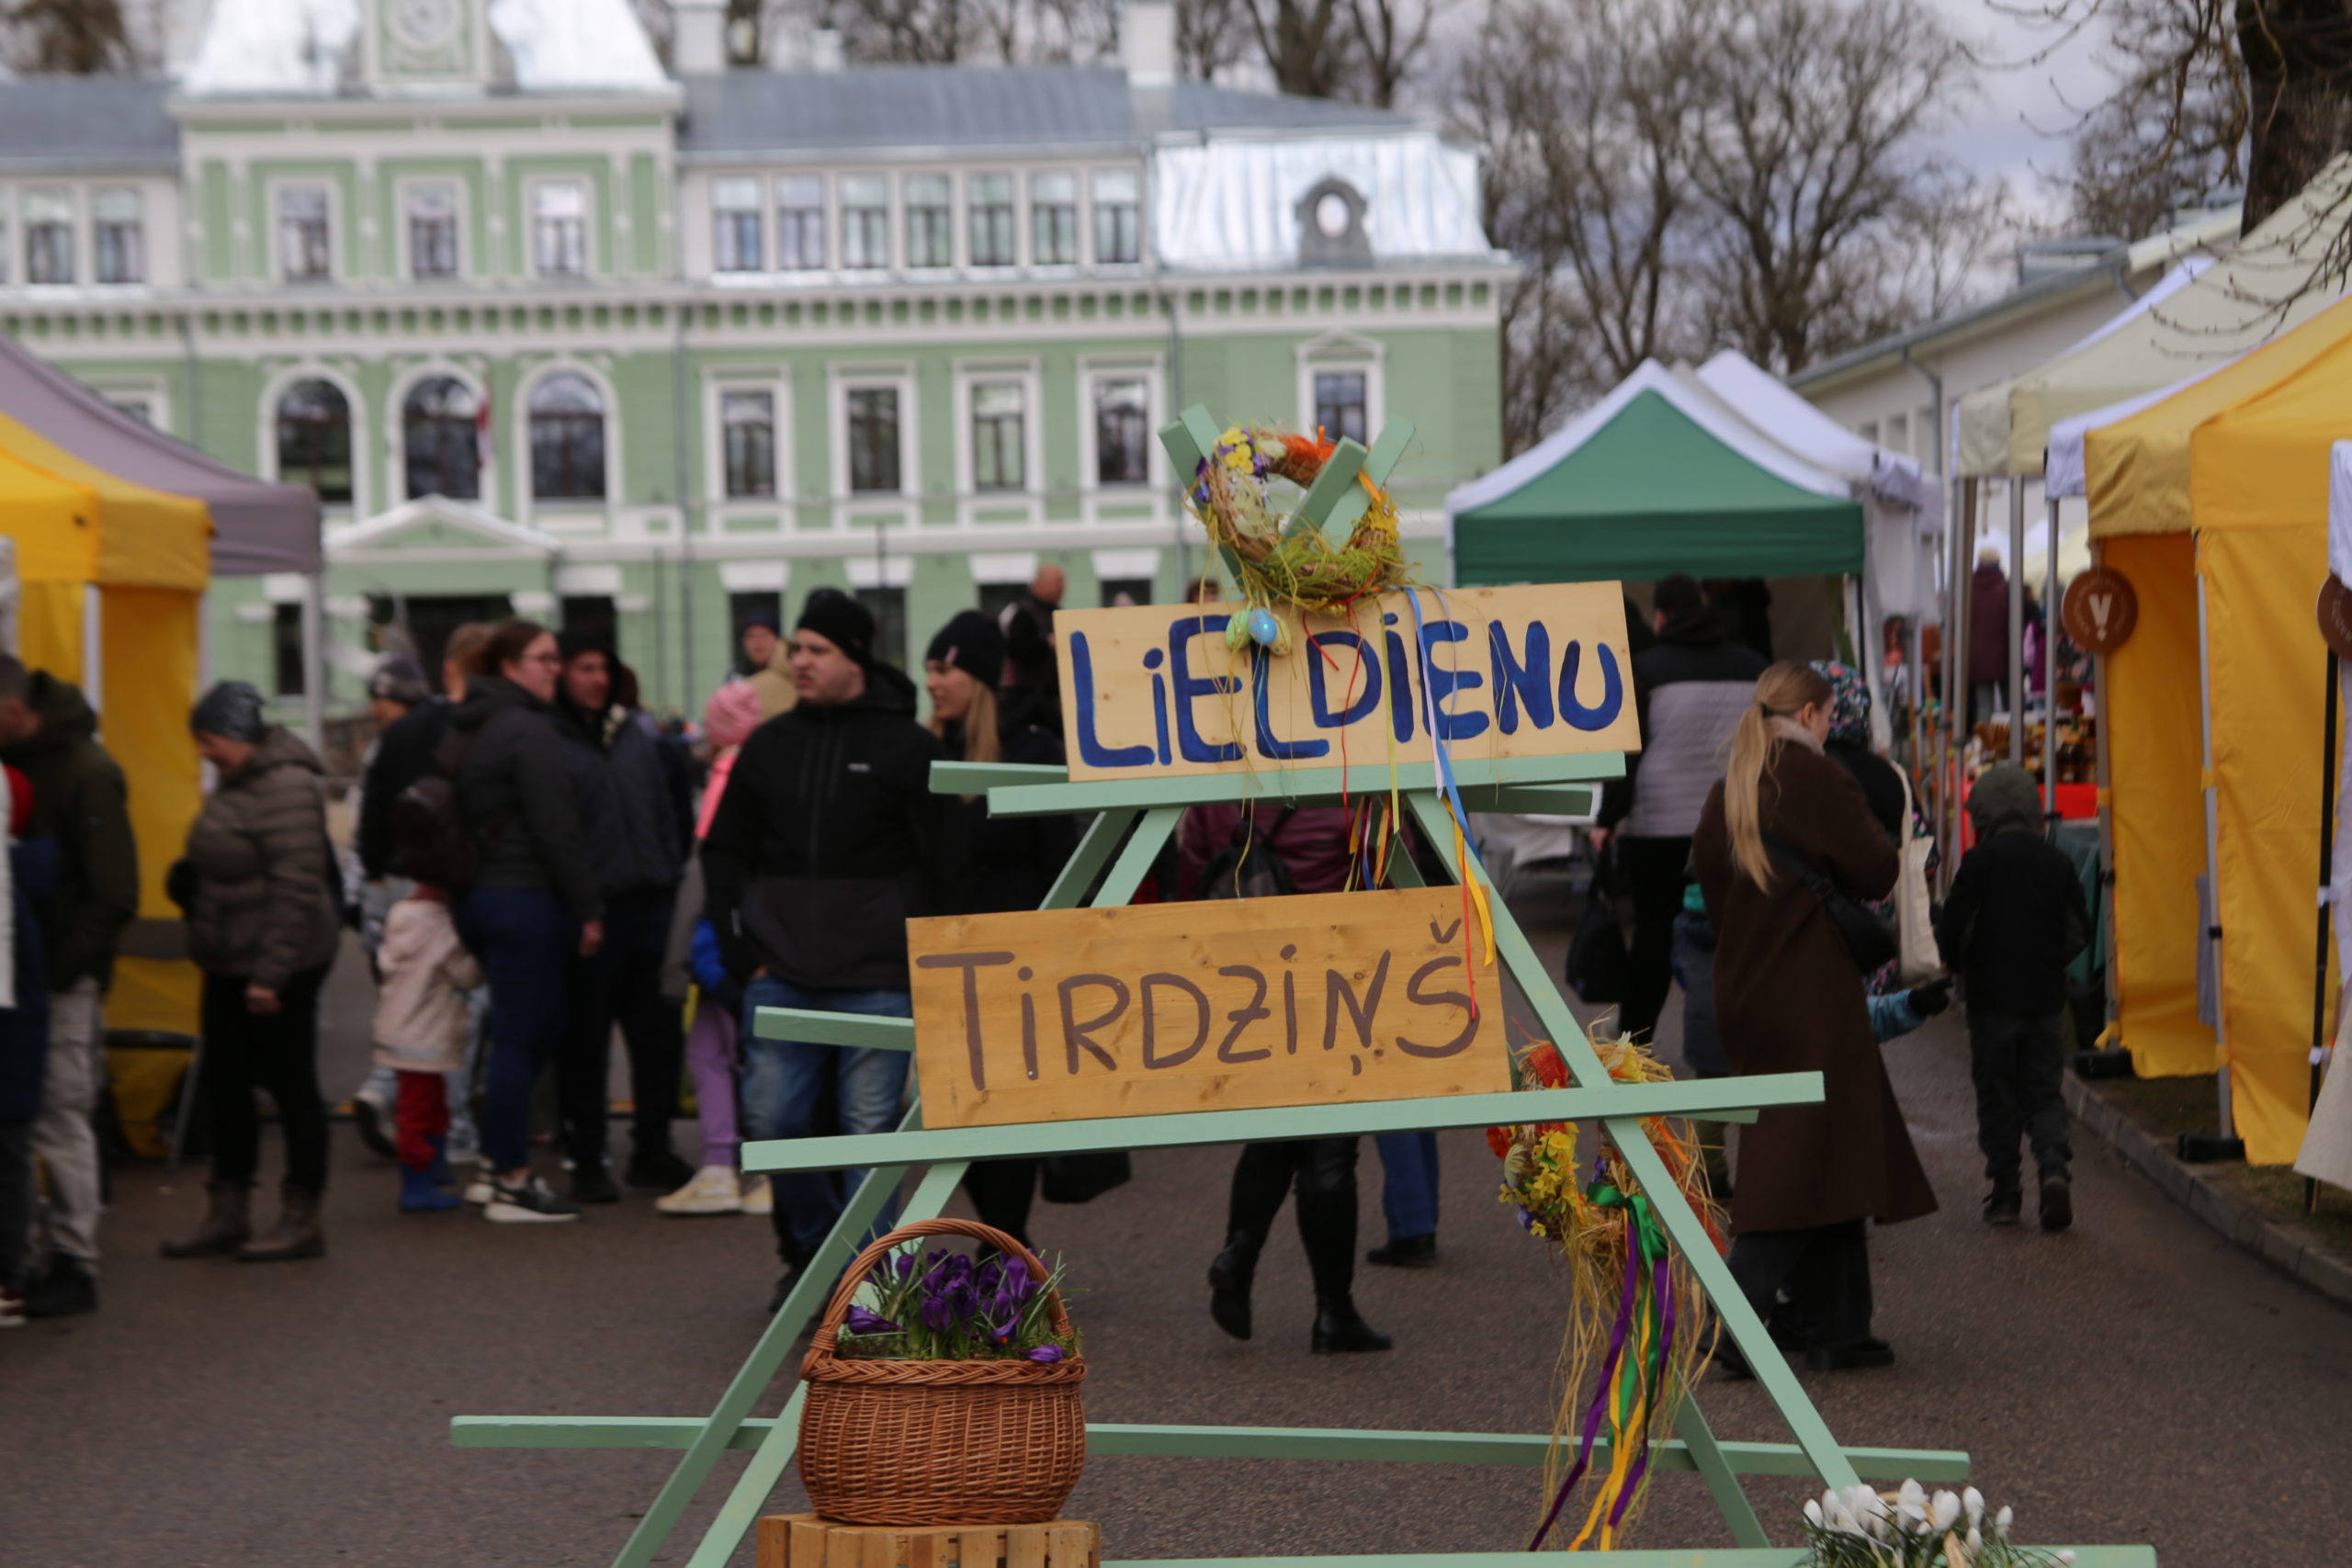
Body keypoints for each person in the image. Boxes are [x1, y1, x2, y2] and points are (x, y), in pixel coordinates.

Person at [702, 590, 965, 1307]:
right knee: (774, 1124)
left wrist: (929, 961)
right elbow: (723, 852)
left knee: (869, 1134)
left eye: (817, 649)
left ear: (855, 658)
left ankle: (870, 1290)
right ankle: (821, 1257)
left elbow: (944, 864)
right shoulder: (768, 745)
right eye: (797, 648)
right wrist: (740, 951)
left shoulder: (909, 747)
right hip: (779, 972)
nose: (800, 661)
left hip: (880, 976)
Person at [1691, 661, 1935, 1372]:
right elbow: (1877, 868)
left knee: (1836, 1143)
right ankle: (1734, 1319)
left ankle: (1837, 1322)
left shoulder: (1729, 786)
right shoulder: (1812, 776)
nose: (1830, 728)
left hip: (1747, 987)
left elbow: (1711, 883)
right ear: (1808, 714)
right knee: (1798, 1159)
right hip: (1810, 992)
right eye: (1828, 716)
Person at [1179, 802, 1391, 1353]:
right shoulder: (1354, 792)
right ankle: (1333, 1312)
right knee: (1331, 1152)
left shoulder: (1211, 794)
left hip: (1247, 990)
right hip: (1336, 984)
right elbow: (1396, 877)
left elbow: (1188, 882)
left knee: (1275, 1134)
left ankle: (1240, 1252)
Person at [162, 683, 342, 1264]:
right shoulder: (240, 780)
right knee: (227, 1086)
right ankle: (228, 1210)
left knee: (292, 1088)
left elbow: (297, 886)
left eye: (209, 740)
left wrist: (271, 975)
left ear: (238, 735)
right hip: (228, 961)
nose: (203, 752)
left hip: (281, 964)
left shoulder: (288, 785)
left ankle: (301, 1216)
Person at [923, 610, 1079, 1247]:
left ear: (980, 678)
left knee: (1008, 1119)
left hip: (1018, 967)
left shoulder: (1032, 749)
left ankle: (1006, 1247)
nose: (931, 682)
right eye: (928, 669)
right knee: (958, 1119)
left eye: (943, 668)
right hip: (945, 963)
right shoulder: (931, 752)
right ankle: (1007, 1246)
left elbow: (1062, 861)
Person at [450, 618, 603, 1224]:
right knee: (520, 1034)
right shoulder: (526, 728)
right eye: (544, 658)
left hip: (478, 895)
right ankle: (511, 1176)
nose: (555, 669)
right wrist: (589, 908)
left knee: (535, 1025)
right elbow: (556, 826)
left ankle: (496, 1158)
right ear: (510, 666)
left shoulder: (470, 721)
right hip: (523, 897)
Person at [0, 656, 137, 1317]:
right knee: (31, 1120)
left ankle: (75, 1260)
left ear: (13, 711)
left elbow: (115, 892)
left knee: (58, 1113)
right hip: (31, 975)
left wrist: (58, 971)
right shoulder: (41, 761)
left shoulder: (86, 770)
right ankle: (29, 1257)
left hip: (56, 977)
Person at [1591, 575, 1769, 1044]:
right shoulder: (1754, 667)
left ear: (1661, 617)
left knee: (1654, 933)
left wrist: (1607, 819)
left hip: (1659, 826)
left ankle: (1634, 1040)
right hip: (1732, 822)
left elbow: (1628, 753)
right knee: (1735, 930)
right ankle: (1744, 1036)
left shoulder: (1645, 669)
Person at [550, 630, 692, 1202]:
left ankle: (652, 1150)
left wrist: (669, 869)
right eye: (584, 668)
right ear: (562, 673)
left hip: (651, 907)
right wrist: (580, 904)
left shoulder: (636, 734)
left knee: (658, 1040)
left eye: (603, 669)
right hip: (591, 916)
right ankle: (587, 1158)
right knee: (585, 1043)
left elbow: (669, 809)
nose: (597, 679)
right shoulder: (551, 738)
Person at [350, 626, 493, 1167]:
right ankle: (449, 1133)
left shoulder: (404, 733)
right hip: (452, 888)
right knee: (458, 1010)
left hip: (396, 883)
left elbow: (372, 809)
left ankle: (388, 1092)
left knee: (407, 1001)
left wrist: (372, 872)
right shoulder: (482, 729)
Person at [1938, 762, 2090, 1232]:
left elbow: (1954, 926)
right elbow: (2078, 929)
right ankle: (2053, 1167)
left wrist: (1960, 963)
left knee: (1997, 1093)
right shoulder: (2058, 861)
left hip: (1991, 1001)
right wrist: (2050, 960)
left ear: (1984, 811)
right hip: (2043, 999)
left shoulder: (1979, 862)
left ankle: (2005, 1193)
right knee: (2044, 1091)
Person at [656, 679, 769, 1217]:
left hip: (720, 938)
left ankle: (728, 1166)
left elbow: (707, 873)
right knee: (743, 1052)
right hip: (756, 933)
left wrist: (688, 950)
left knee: (716, 1054)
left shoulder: (727, 775)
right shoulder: (769, 767)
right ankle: (760, 1168)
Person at [369, 885, 483, 1213]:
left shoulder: (400, 913)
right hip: (427, 1034)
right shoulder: (444, 926)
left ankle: (432, 1169)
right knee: (419, 1113)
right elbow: (467, 975)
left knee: (426, 1106)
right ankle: (417, 1185)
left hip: (399, 1028)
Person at [0, 765, 54, 1325]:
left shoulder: (14, 888)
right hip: (19, 1043)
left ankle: (9, 1278)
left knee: (10, 1161)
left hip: (12, 1043)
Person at [1969, 547, 2009, 726]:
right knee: (2011, 705)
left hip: (1978, 657)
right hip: (2005, 654)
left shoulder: (1969, 588)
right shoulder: (2005, 587)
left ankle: (1984, 740)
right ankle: (2012, 739)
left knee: (1984, 706)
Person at [996, 563, 1065, 669]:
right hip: (1032, 677)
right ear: (1041, 583)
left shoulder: (1058, 611)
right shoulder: (1024, 614)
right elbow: (1016, 649)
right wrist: (1046, 643)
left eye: (1063, 581)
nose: (1062, 587)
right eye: (1057, 581)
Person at [742, 609, 798, 722]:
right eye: (751, 636)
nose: (757, 642)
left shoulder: (793, 672)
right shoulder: (735, 675)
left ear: (777, 640)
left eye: (764, 636)